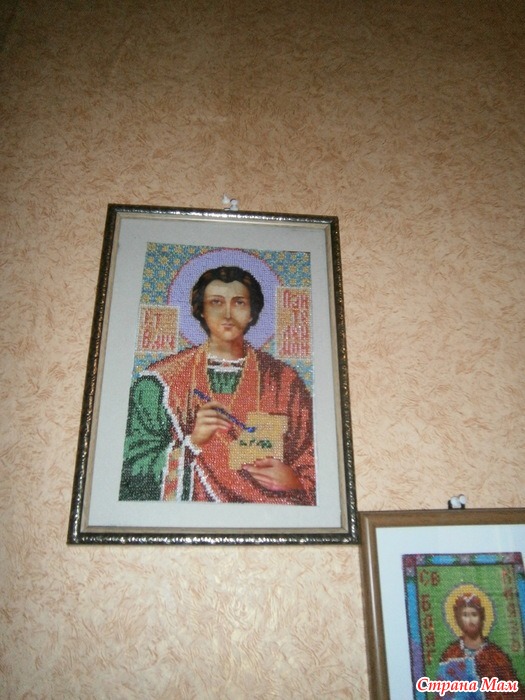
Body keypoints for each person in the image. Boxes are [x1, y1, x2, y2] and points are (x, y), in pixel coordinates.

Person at [119, 265, 316, 505]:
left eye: (239, 303)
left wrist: (296, 480)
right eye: (216, 302)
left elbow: (312, 454)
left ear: (252, 312)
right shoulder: (160, 383)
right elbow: (132, 470)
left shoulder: (285, 382)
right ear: (201, 310)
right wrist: (192, 443)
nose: (228, 315)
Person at [438, 593, 524, 699]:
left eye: (474, 614)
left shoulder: (496, 656)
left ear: (481, 617)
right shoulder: (451, 654)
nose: (470, 620)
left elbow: (515, 694)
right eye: (465, 615)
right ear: (458, 619)